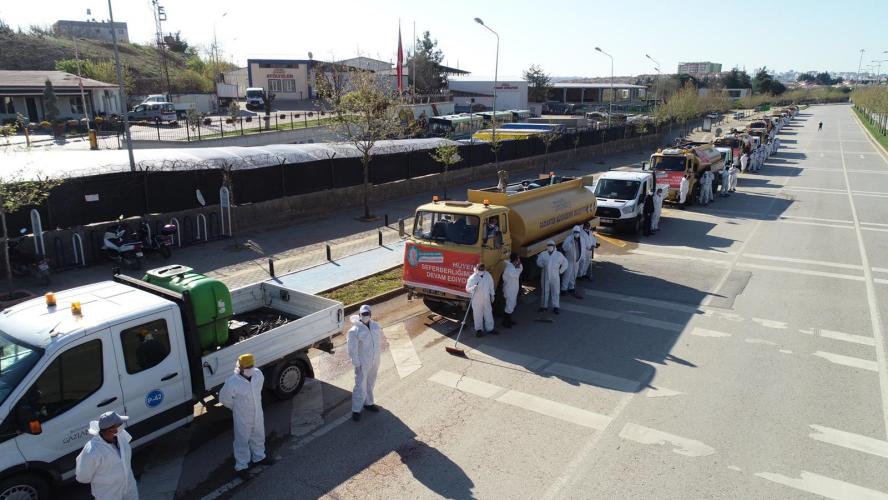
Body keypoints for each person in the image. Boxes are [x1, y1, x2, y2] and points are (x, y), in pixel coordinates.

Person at [220, 353, 268, 477]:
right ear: (240, 367)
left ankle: (259, 457)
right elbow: (224, 399)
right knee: (242, 440)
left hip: (258, 413)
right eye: (247, 367)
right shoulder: (232, 382)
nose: (250, 369)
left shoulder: (258, 374)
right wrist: (236, 408)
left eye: (251, 366)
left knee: (258, 435)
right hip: (242, 416)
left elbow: (258, 390)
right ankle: (241, 467)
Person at [76, 411, 139, 500]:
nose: (122, 426)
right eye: (120, 424)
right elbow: (83, 477)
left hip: (129, 487)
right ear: (112, 429)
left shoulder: (120, 434)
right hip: (108, 495)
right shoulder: (92, 450)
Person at [347, 305, 382, 422]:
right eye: (363, 314)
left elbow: (377, 343)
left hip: (375, 360)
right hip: (362, 362)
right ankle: (356, 410)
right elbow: (352, 349)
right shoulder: (354, 331)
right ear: (359, 315)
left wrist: (377, 357)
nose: (366, 316)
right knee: (360, 386)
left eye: (367, 314)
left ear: (370, 314)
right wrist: (357, 363)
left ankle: (369, 403)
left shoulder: (375, 326)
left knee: (371, 382)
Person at [536, 240, 568, 314]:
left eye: (551, 245)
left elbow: (565, 263)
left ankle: (556, 306)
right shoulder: (543, 254)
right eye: (549, 245)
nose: (550, 247)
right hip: (545, 275)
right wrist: (541, 264)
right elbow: (538, 262)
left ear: (554, 246)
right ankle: (543, 306)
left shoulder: (558, 255)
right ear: (547, 246)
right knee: (545, 291)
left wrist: (560, 271)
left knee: (555, 291)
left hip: (555, 276)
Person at [466, 263, 497, 336]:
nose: (481, 271)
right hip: (477, 300)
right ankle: (479, 330)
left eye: (482, 270)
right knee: (477, 315)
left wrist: (492, 294)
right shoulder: (472, 278)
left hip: (486, 299)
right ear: (477, 269)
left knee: (488, 313)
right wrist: (473, 288)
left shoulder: (487, 275)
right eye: (480, 270)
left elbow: (491, 285)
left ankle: (490, 328)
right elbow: (467, 289)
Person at [561, 226, 585, 297]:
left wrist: (582, 258)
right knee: (567, 275)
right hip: (569, 261)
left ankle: (571, 287)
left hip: (577, 261)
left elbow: (583, 249)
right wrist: (570, 243)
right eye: (575, 232)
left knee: (574, 275)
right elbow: (564, 248)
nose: (576, 234)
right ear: (573, 232)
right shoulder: (569, 239)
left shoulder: (582, 239)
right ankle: (563, 289)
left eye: (578, 232)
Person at [501, 253, 522, 328]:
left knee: (512, 304)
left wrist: (518, 265)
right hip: (510, 289)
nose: (519, 260)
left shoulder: (511, 267)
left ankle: (508, 320)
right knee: (509, 305)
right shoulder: (510, 269)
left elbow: (518, 270)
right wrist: (519, 265)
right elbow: (518, 271)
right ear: (516, 260)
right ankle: (505, 322)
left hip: (512, 289)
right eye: (518, 259)